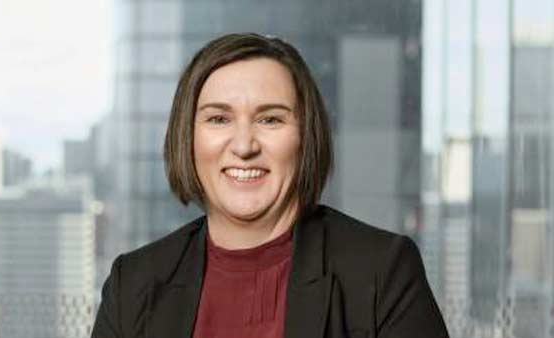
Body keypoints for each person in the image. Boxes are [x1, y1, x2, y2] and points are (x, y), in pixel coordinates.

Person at [91, 33, 449, 338]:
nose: (244, 145)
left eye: (270, 119)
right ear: (188, 138)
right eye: (218, 119)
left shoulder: (381, 270)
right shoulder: (133, 283)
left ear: (305, 137)